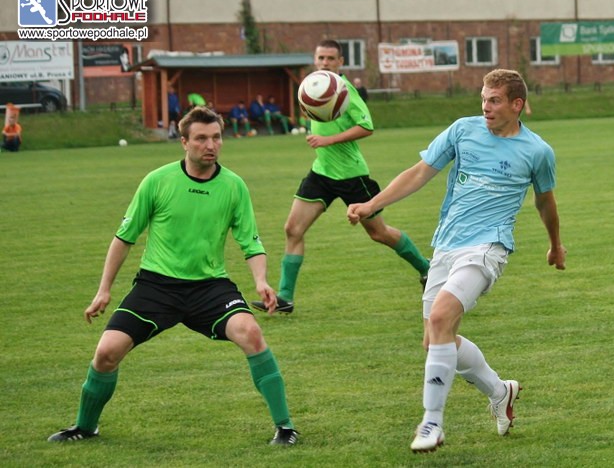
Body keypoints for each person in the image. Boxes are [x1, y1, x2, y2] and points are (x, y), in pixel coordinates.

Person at [47, 106, 299, 446]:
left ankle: (285, 427)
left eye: (216, 138)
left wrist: (261, 281)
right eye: (201, 139)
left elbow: (250, 242)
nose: (210, 145)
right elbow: (124, 238)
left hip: (210, 287)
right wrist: (104, 290)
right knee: (107, 352)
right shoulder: (157, 181)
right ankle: (85, 427)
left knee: (251, 332)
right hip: (157, 286)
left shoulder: (234, 186)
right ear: (184, 142)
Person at [347, 69, 567, 453]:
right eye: (483, 98)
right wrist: (372, 204)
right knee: (435, 338)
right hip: (447, 245)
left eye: (494, 100)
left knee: (440, 318)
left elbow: (544, 202)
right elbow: (420, 173)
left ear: (516, 104)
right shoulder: (463, 130)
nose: (486, 107)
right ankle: (499, 391)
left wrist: (555, 245)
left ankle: (431, 423)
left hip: (488, 247)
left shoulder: (537, 151)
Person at [251, 39, 429, 315]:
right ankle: (285, 297)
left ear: (340, 62)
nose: (325, 63)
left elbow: (367, 126)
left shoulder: (345, 90)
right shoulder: (313, 86)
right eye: (321, 57)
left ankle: (427, 269)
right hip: (321, 172)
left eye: (331, 58)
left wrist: (328, 140)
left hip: (352, 176)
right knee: (292, 229)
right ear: (315, 59)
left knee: (379, 233)